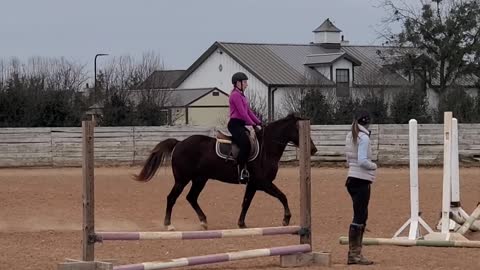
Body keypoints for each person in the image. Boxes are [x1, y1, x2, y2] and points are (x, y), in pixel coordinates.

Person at [344, 110, 376, 265]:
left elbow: (348, 160)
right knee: (360, 217)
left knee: (361, 215)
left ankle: (355, 253)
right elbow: (363, 161)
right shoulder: (364, 138)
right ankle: (354, 254)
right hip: (361, 179)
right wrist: (374, 165)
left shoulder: (350, 135)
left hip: (351, 178)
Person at [227, 72, 262, 184]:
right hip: (235, 125)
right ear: (238, 83)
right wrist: (253, 124)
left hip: (241, 125)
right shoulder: (235, 95)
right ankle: (242, 172)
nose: (247, 84)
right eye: (245, 82)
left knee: (252, 141)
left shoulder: (242, 96)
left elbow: (248, 112)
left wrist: (259, 122)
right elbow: (242, 113)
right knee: (246, 144)